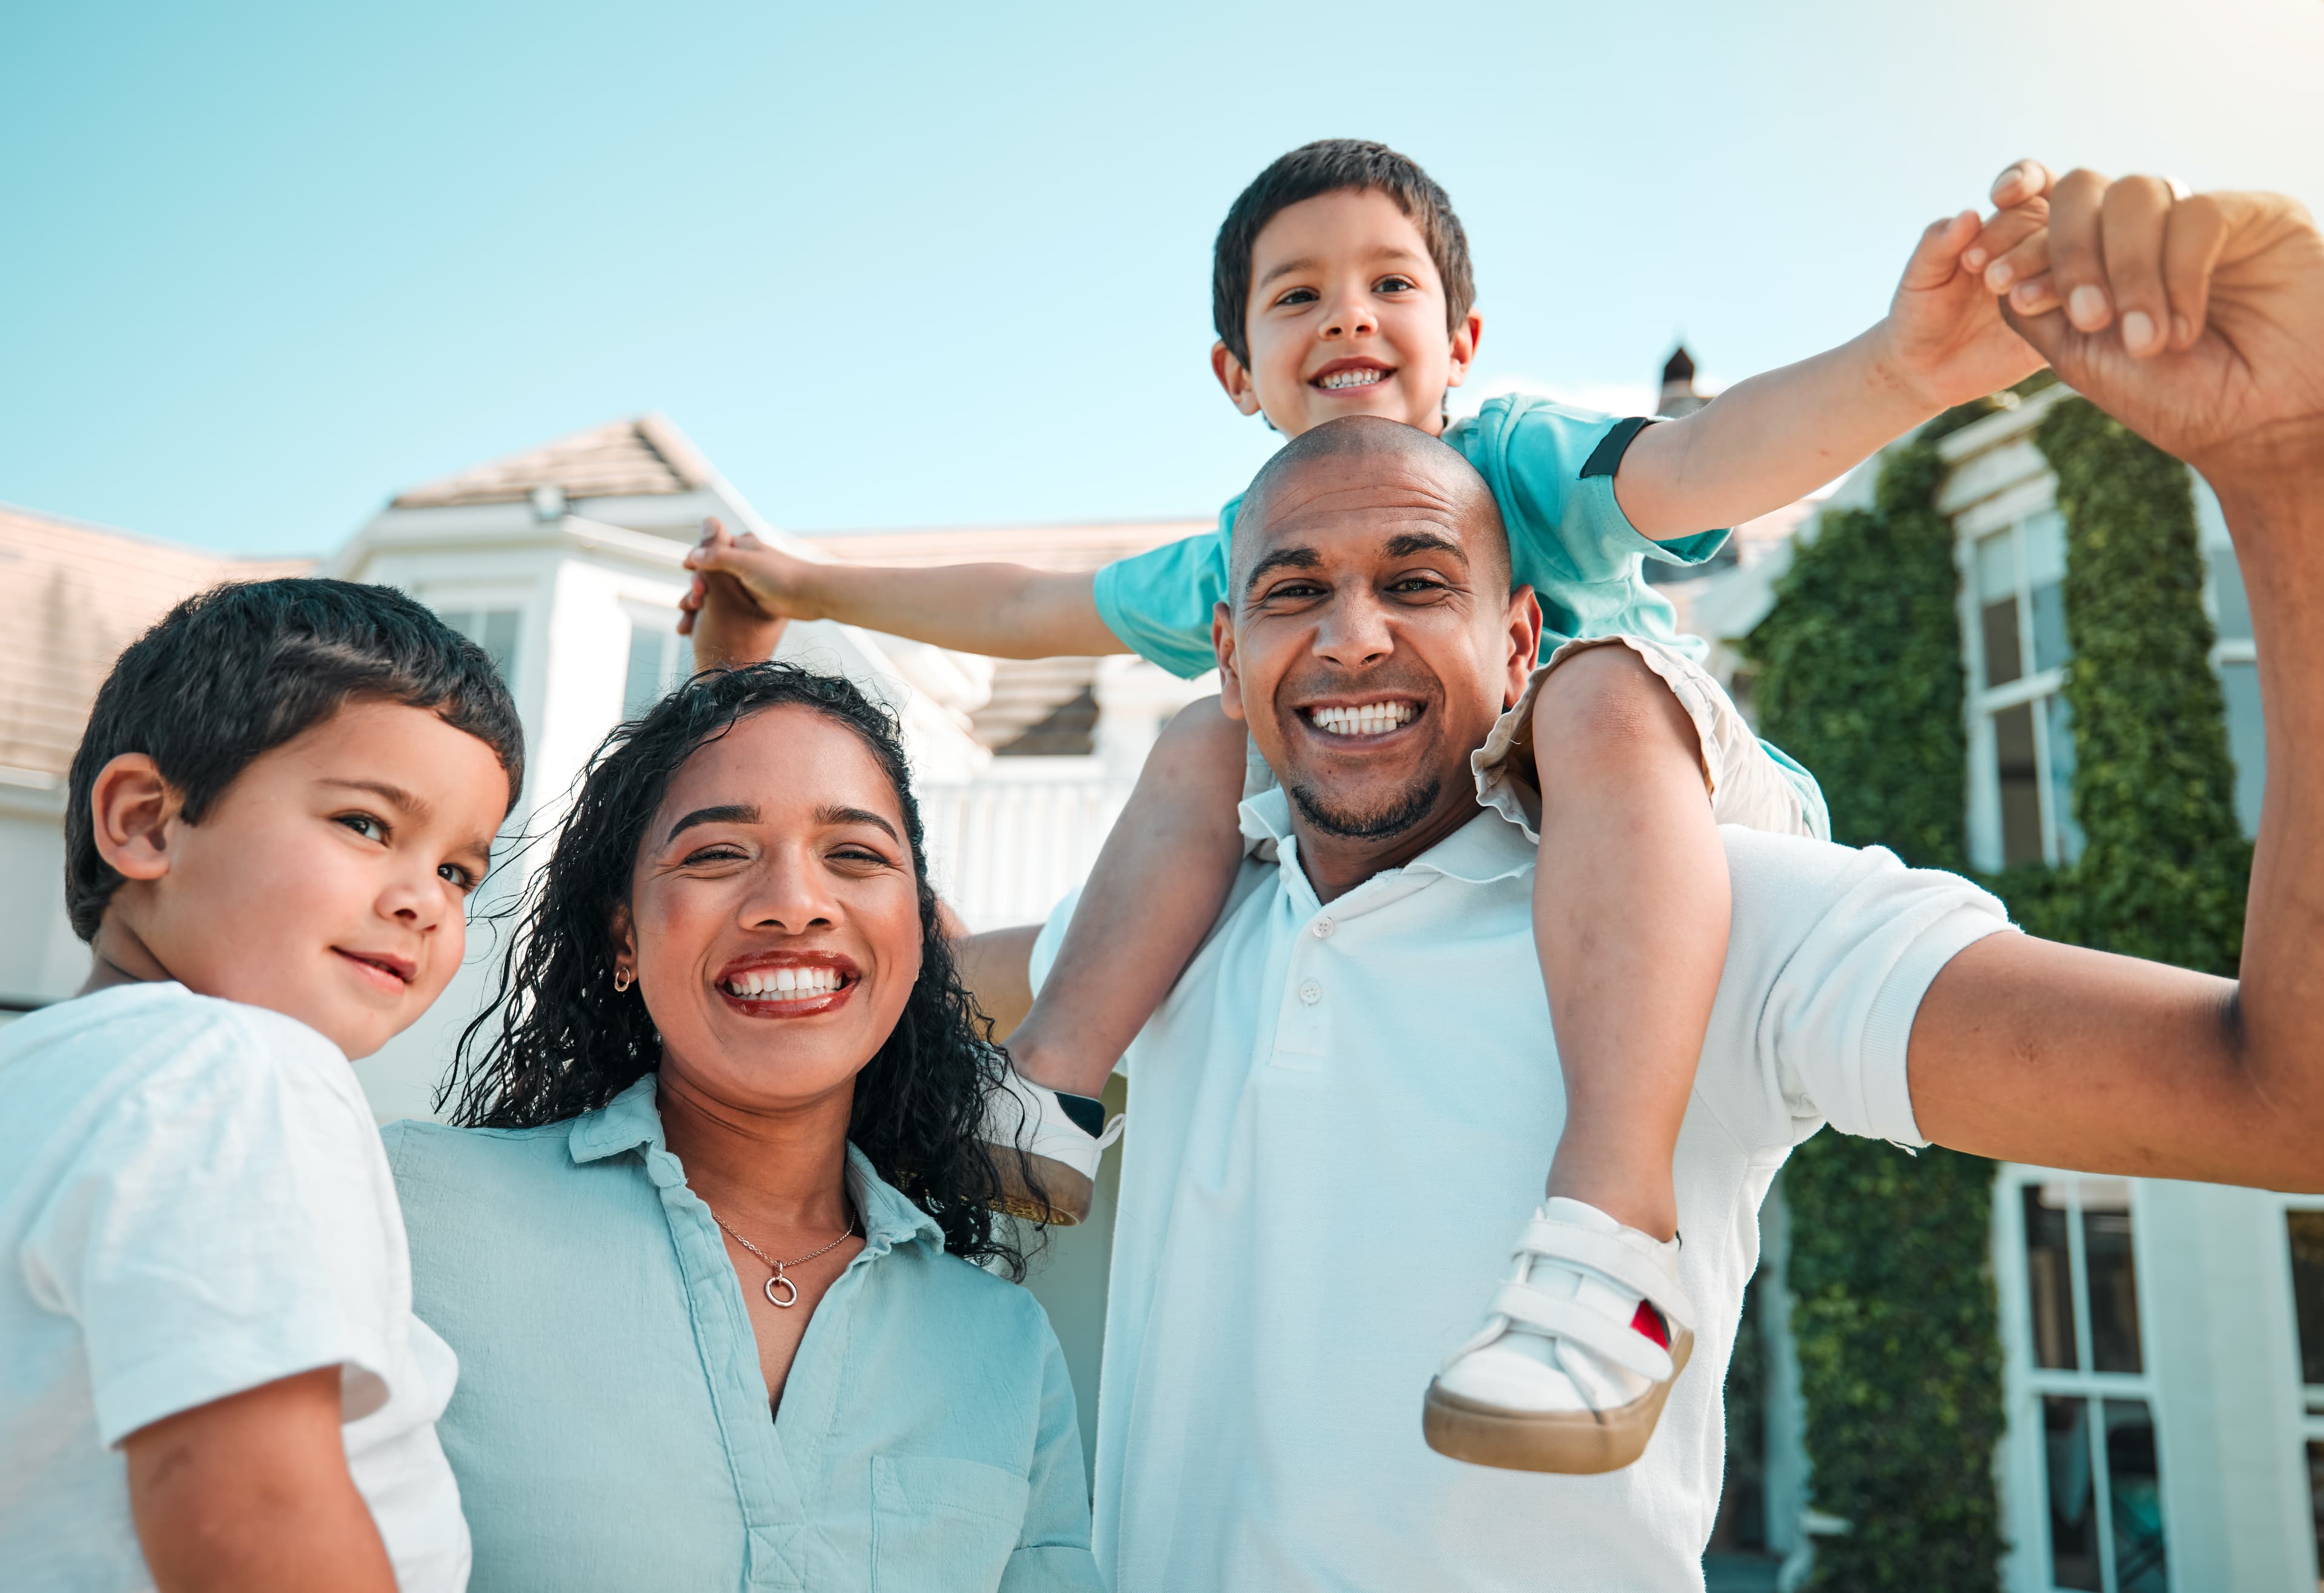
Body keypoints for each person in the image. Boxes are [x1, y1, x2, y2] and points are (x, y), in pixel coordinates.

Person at [944, 169, 2322, 1588]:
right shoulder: (1170, 936)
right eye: (1295, 591)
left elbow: (2289, 1097)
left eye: (1419, 580)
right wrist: (781, 613)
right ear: (1226, 651)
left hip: (1662, 770)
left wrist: (2293, 480)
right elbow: (871, 960)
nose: (1353, 635)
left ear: (1518, 635)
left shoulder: (1700, 919)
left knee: (1614, 701)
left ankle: (1610, 1231)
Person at [675, 139, 2053, 1471]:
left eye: (1392, 282)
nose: (1350, 311)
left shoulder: (1514, 460)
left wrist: (1898, 370)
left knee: (1591, 690)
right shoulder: (1247, 553)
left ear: (1461, 338)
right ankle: (1051, 1086)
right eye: (1299, 293)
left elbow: (1701, 462)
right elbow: (1029, 604)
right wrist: (805, 585)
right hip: (1425, 836)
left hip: (1667, 815)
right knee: (1205, 733)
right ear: (1237, 370)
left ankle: (1613, 1220)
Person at [387, 662, 1104, 1592]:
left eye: (855, 856)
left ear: (916, 934)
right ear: (624, 939)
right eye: (718, 854)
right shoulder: (411, 1214)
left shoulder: (1004, 1348)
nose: (795, 903)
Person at [0, 579, 525, 1593]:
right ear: (148, 823)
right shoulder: (239, 1072)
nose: (423, 899)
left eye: (461, 872)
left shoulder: (43, 1083)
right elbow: (253, 1512)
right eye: (368, 825)